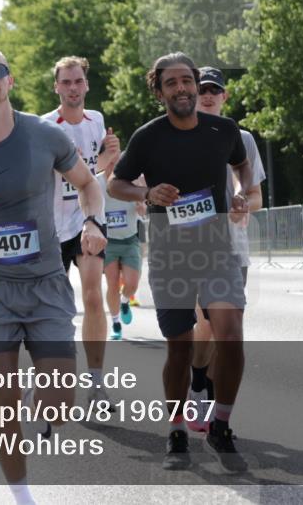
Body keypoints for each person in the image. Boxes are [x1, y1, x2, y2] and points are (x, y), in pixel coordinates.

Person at [0, 46, 106, 505]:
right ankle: (22, 496)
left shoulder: (44, 135)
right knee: (3, 404)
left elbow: (88, 185)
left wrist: (93, 222)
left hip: (47, 280)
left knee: (59, 406)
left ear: (10, 80)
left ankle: (44, 394)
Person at [108, 52, 253, 472]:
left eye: (187, 81)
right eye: (171, 83)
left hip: (217, 249)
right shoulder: (148, 137)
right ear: (159, 91)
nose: (182, 89)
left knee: (230, 333)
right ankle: (175, 429)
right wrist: (147, 195)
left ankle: (221, 423)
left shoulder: (223, 129)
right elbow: (117, 183)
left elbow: (241, 163)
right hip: (171, 255)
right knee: (180, 346)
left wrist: (242, 191)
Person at [188, 66, 265, 432]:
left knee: (226, 331)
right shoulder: (178, 138)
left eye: (214, 90)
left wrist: (242, 203)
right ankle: (198, 380)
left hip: (235, 249)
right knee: (205, 327)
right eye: (201, 89)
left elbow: (257, 195)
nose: (207, 95)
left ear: (224, 96)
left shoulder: (242, 139)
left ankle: (217, 411)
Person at [42, 56, 119, 410]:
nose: (73, 88)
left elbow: (93, 174)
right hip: (51, 226)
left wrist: (109, 159)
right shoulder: (44, 127)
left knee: (92, 296)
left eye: (78, 81)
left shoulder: (97, 121)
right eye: (66, 83)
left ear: (86, 85)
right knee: (55, 309)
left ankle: (97, 384)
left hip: (88, 217)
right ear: (56, 87)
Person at [95, 144, 145, 341]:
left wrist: (142, 207)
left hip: (130, 239)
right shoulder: (96, 183)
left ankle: (125, 302)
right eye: (109, 164)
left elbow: (144, 210)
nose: (112, 168)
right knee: (112, 283)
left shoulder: (131, 183)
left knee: (132, 283)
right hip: (108, 243)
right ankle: (116, 323)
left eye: (117, 165)